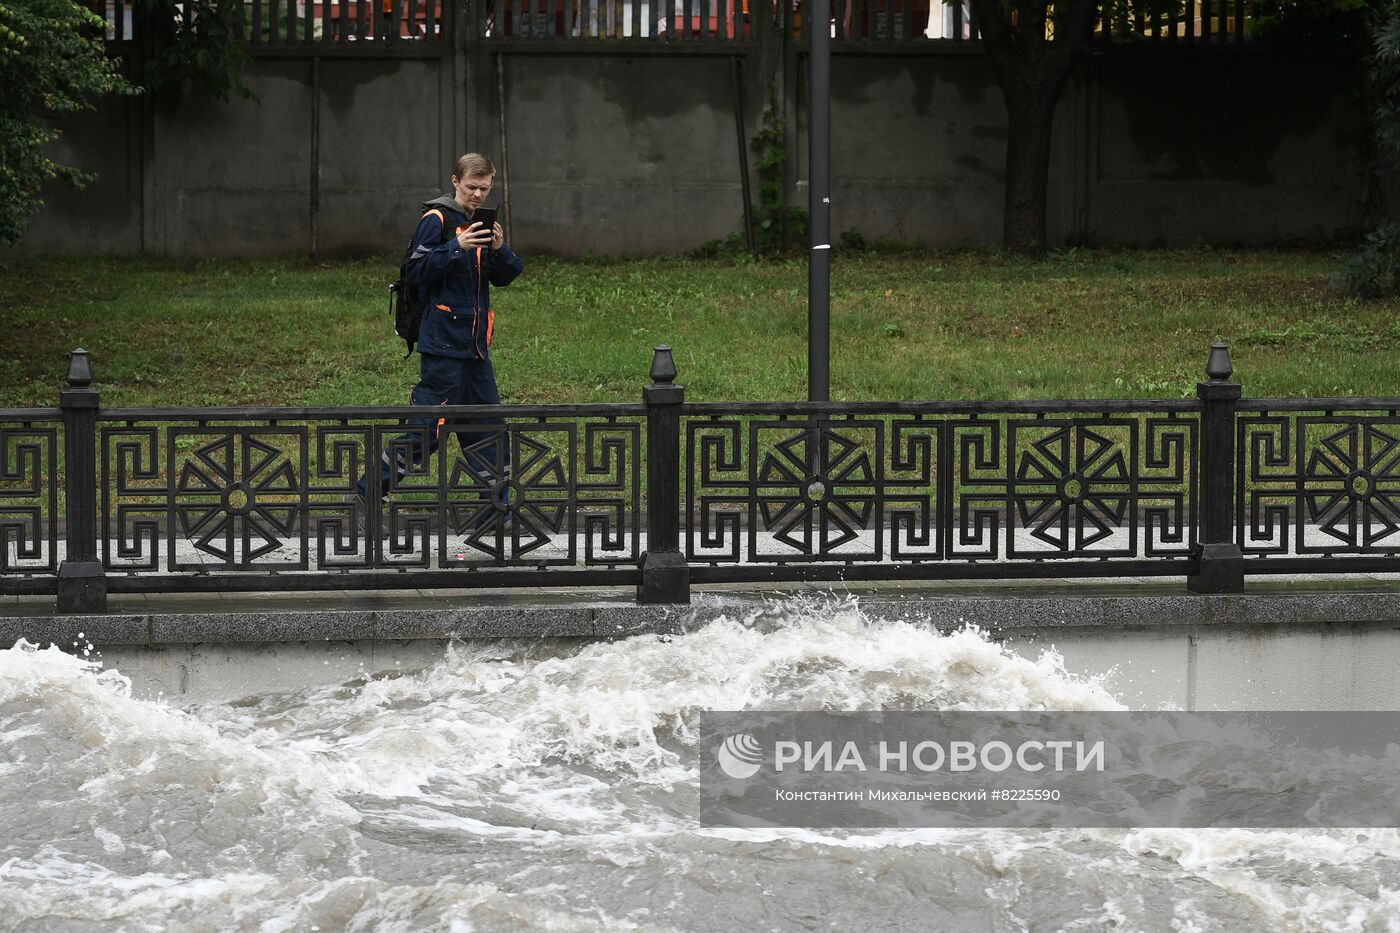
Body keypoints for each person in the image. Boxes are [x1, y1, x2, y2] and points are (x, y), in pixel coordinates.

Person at [349, 153, 524, 541]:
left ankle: (496, 509)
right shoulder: (438, 220)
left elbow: (508, 276)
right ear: (455, 181)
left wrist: (498, 248)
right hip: (443, 348)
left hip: (476, 351)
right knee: (427, 431)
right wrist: (456, 246)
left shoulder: (480, 223)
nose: (478, 194)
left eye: (485, 188)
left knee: (490, 429)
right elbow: (415, 271)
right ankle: (367, 492)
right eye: (471, 187)